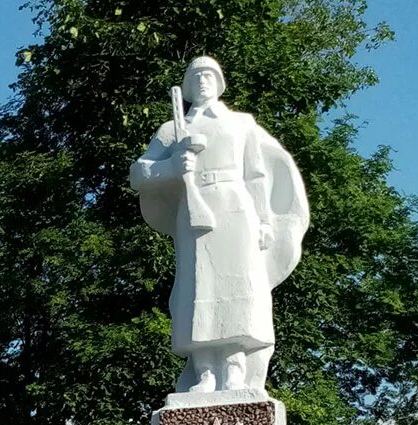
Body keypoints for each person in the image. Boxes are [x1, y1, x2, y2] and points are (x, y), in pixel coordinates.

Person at [130, 55, 308, 393]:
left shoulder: (241, 124)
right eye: (196, 76)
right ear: (186, 85)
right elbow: (139, 172)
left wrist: (265, 221)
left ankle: (235, 367)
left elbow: (256, 176)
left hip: (236, 208)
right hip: (195, 211)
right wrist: (171, 167)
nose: (202, 81)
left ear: (220, 80)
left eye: (209, 75)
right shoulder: (173, 130)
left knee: (238, 286)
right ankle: (206, 371)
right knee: (199, 286)